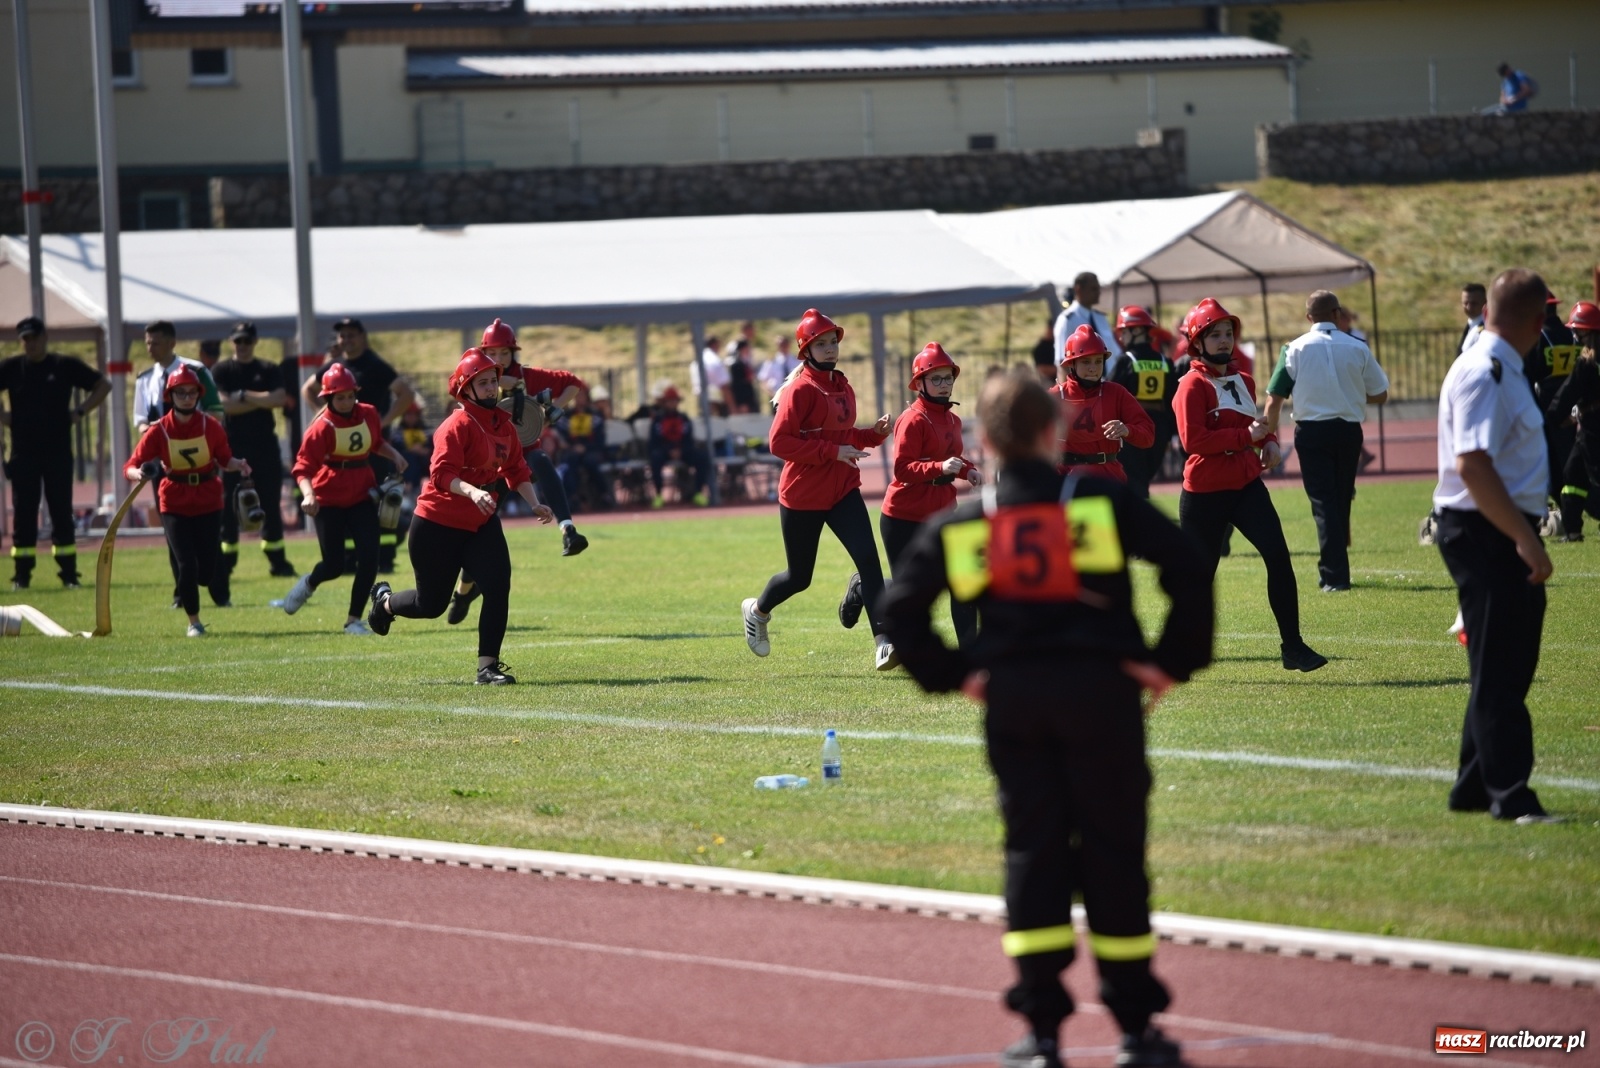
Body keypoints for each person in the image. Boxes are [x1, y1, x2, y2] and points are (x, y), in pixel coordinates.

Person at [879, 368, 1212, 1068]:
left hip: (1017, 703)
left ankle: (1041, 1031)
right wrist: (1169, 660)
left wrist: (956, 676)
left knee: (1033, 852)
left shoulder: (971, 519)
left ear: (986, 441)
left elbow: (900, 612)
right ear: (1051, 431)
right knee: (1115, 852)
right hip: (1104, 697)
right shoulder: (1096, 497)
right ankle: (1135, 1028)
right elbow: (1186, 560)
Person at [1432, 268, 1559, 824]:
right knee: (1502, 665)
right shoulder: (1487, 370)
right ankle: (1511, 793)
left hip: (1493, 525)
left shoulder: (1499, 364)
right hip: (1483, 528)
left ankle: (1475, 784)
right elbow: (1473, 466)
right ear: (1538, 320)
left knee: (1504, 660)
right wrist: (1524, 538)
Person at [367, 349, 555, 684]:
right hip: (437, 525)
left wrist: (534, 502)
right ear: (464, 389)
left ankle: (487, 668)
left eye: (493, 381)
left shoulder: (504, 425)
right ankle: (385, 604)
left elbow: (516, 469)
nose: (490, 388)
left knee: (498, 586)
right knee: (431, 605)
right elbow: (440, 475)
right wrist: (473, 490)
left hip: (481, 520)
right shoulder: (455, 425)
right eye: (482, 382)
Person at [1174, 298, 1326, 672]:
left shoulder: (1243, 379)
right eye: (1215, 335)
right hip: (1205, 493)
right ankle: (1177, 650)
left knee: (1278, 557)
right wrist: (1247, 437)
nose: (1225, 341)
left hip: (1245, 486)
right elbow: (1194, 442)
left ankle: (1293, 647)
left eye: (1229, 334)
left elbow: (1256, 426)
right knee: (1198, 576)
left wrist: (1269, 442)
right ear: (1197, 341)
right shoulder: (1190, 385)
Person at [741, 308, 898, 671]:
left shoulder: (842, 385)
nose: (830, 349)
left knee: (870, 563)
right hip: (803, 496)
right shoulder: (799, 390)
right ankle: (758, 610)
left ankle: (883, 643)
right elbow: (778, 443)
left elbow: (845, 438)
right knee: (799, 578)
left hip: (843, 489)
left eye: (833, 342)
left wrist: (874, 433)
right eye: (821, 343)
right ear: (806, 350)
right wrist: (832, 451)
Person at [1262, 292, 1390, 592]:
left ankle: (1334, 576)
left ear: (1309, 318)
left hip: (1311, 432)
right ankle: (1334, 569)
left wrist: (1267, 434)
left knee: (1323, 502)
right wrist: (1352, 393)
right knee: (1342, 497)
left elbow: (1274, 400)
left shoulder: (1293, 349)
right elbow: (1381, 393)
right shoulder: (1357, 347)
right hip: (1348, 432)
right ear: (1337, 313)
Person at [277, 362, 407, 634]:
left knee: (370, 557)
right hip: (329, 498)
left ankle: (353, 620)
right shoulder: (320, 428)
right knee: (334, 565)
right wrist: (309, 495)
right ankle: (309, 583)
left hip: (362, 494)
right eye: (340, 397)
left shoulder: (368, 413)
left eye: (350, 395)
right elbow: (302, 468)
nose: (347, 401)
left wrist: (394, 454)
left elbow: (374, 443)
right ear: (328, 398)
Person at [124, 364, 251, 637]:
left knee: (205, 571)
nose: (186, 397)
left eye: (191, 392)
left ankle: (201, 593)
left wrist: (238, 464)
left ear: (198, 394)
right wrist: (139, 473)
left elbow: (223, 458)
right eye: (180, 392)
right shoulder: (159, 430)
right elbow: (131, 465)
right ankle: (194, 622)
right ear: (170, 395)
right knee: (186, 564)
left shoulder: (211, 426)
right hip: (174, 501)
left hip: (208, 498)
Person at [880, 343, 982, 648]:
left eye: (947, 378)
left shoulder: (953, 419)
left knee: (963, 583)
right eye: (935, 378)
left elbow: (954, 459)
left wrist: (968, 471)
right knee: (907, 591)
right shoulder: (911, 419)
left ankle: (972, 656)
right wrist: (940, 466)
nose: (943, 384)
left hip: (942, 512)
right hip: (903, 516)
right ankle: (863, 589)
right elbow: (902, 469)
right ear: (919, 383)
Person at [0, 316, 109, 589]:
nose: (31, 344)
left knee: (61, 511)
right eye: (25, 339)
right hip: (23, 452)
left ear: (45, 338)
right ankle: (22, 576)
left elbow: (102, 385)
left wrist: (80, 411)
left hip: (57, 451)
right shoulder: (12, 368)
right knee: (24, 513)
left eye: (34, 338)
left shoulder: (63, 365)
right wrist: (4, 416)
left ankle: (69, 575)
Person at [302, 317, 415, 572]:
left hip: (373, 445)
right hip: (342, 450)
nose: (346, 340)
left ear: (362, 337)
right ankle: (350, 560)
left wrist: (384, 421)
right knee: (349, 504)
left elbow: (405, 393)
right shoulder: (336, 367)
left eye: (351, 335)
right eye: (343, 336)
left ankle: (384, 557)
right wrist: (323, 414)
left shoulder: (375, 365)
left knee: (380, 502)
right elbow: (307, 388)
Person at [209, 320, 297, 605]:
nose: (242, 346)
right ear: (232, 342)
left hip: (265, 446)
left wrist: (244, 396)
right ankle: (226, 562)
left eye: (247, 341)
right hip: (231, 445)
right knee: (228, 504)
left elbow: (280, 399)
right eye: (238, 341)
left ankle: (278, 561)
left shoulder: (269, 369)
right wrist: (260, 400)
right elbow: (223, 404)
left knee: (270, 502)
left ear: (255, 342)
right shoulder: (222, 370)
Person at [1054, 324, 1153, 484]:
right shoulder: (1054, 397)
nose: (1093, 368)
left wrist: (1127, 430)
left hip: (1108, 479)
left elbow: (1148, 436)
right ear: (1072, 364)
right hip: (1067, 482)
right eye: (1086, 362)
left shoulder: (1116, 393)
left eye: (1098, 361)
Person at [1110, 307, 1179, 497]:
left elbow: (1110, 394)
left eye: (1124, 332)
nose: (1121, 338)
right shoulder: (1166, 362)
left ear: (1138, 331)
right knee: (1144, 479)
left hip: (1133, 429)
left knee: (1133, 480)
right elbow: (1173, 400)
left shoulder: (1126, 361)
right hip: (1160, 431)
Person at [1552, 302, 1600, 540]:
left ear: (1590, 331)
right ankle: (1572, 530)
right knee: (1573, 475)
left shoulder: (1587, 362)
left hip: (1594, 429)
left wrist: (1550, 418)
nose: (1574, 334)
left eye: (1578, 330)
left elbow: (1567, 393)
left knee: (1592, 475)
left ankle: (1572, 529)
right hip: (1588, 426)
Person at [646, 385, 710, 508]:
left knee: (702, 457)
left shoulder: (684, 419)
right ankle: (659, 494)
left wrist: (681, 450)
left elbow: (688, 439)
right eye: (669, 401)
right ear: (664, 402)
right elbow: (654, 441)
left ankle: (698, 493)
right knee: (655, 457)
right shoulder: (658, 420)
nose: (672, 403)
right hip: (663, 451)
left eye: (674, 401)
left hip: (682, 450)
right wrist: (669, 450)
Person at [1053, 272, 1124, 378]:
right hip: (1085, 390)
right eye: (1093, 289)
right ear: (1078, 289)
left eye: (1098, 288)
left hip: (1110, 386)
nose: (1098, 292)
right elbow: (1063, 362)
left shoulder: (1101, 318)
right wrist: (1067, 393)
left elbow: (1115, 353)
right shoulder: (1067, 320)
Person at [556, 387, 614, 511]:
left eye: (582, 396)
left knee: (591, 462)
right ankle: (573, 498)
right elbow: (563, 435)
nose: (579, 399)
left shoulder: (596, 416)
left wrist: (585, 447)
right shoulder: (567, 416)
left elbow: (600, 440)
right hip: (573, 450)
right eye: (577, 396)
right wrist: (573, 446)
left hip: (591, 450)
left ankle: (603, 495)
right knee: (570, 462)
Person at [391, 402, 433, 494]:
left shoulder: (427, 431)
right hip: (407, 466)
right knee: (409, 456)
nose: (411, 417)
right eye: (409, 414)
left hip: (424, 464)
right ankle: (408, 483)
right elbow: (397, 448)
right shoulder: (397, 432)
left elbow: (431, 447)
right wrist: (412, 449)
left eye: (414, 414)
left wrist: (423, 451)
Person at [692, 334, 733, 417]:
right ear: (714, 345)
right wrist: (733, 408)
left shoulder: (697, 361)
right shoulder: (714, 360)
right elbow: (724, 386)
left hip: (702, 401)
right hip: (716, 403)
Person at [757, 336, 799, 405]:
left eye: (785, 344)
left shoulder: (796, 361)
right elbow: (763, 381)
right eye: (781, 345)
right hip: (776, 397)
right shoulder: (771, 362)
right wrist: (772, 394)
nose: (783, 347)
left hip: (793, 396)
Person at [726, 337, 759, 414]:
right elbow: (737, 385)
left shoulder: (747, 362)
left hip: (749, 398)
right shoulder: (736, 364)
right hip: (742, 400)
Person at [1459, 283, 1487, 356]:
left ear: (1485, 303)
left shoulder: (1486, 329)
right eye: (1465, 303)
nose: (1469, 307)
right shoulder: (1471, 325)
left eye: (1474, 303)